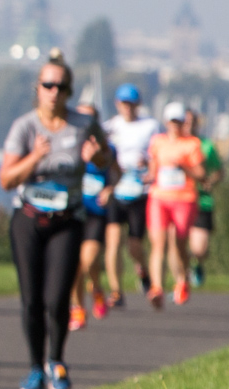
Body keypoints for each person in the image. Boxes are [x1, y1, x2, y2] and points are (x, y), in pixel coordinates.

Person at [0, 56, 109, 389]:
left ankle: (56, 362)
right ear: (38, 89)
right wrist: (34, 157)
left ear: (69, 91)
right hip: (29, 218)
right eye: (48, 85)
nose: (54, 92)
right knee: (31, 299)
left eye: (61, 86)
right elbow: (5, 179)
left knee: (57, 297)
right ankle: (34, 367)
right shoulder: (24, 127)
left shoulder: (83, 124)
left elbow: (109, 164)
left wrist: (97, 160)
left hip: (67, 221)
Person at [104, 84, 161, 308]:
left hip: (140, 191)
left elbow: (159, 153)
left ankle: (143, 271)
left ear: (138, 104)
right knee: (113, 242)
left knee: (134, 245)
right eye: (123, 103)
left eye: (131, 103)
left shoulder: (150, 126)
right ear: (117, 104)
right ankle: (116, 291)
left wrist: (148, 165)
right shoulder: (110, 127)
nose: (127, 108)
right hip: (117, 191)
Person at [144, 102, 205, 308]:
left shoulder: (192, 144)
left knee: (179, 242)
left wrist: (184, 168)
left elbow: (200, 174)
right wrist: (146, 174)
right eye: (172, 121)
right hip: (159, 197)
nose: (175, 126)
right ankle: (157, 288)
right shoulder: (158, 142)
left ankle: (183, 279)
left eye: (179, 122)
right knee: (158, 242)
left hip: (184, 198)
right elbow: (154, 170)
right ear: (166, 122)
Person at [69, 104, 118, 330]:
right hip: (73, 210)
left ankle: (96, 287)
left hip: (96, 212)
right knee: (74, 265)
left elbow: (116, 172)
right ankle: (78, 308)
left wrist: (110, 189)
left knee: (88, 261)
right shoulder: (69, 145)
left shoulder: (108, 149)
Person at [184, 109, 223, 288]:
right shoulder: (174, 144)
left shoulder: (206, 146)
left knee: (199, 249)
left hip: (202, 201)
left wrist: (210, 181)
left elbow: (219, 171)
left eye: (193, 121)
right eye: (186, 121)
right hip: (179, 200)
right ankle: (180, 281)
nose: (189, 125)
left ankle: (197, 264)